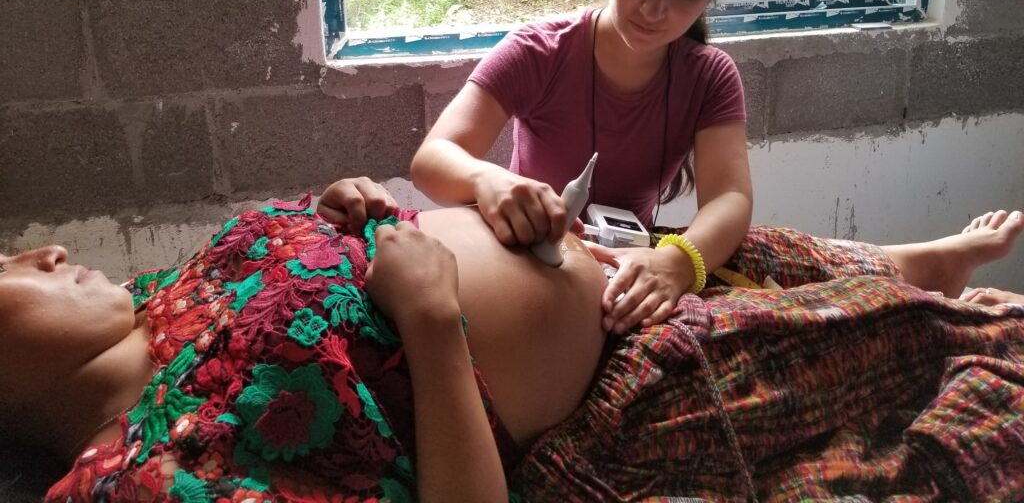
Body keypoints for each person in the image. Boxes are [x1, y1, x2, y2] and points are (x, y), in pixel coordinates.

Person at [2, 178, 1022, 501]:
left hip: (602, 272)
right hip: (620, 393)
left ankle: (904, 258)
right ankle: (916, 277)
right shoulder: (135, 481)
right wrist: (437, 327)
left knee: (724, 243)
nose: (45, 251)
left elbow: (318, 280)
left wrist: (351, 206)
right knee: (959, 352)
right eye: (6, 268)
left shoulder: (153, 297)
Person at [411, 0, 752, 335]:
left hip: (626, 273)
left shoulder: (709, 75)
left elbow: (730, 196)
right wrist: (486, 178)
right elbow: (433, 158)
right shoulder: (539, 51)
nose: (654, 9)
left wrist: (676, 263)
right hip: (527, 264)